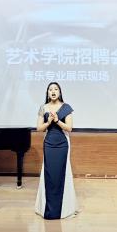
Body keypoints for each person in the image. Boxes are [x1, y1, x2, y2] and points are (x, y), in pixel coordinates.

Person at [35, 82, 78, 219]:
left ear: (60, 92)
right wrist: (48, 122)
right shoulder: (43, 107)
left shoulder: (66, 107)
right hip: (48, 143)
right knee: (49, 174)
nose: (53, 91)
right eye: (50, 89)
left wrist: (58, 121)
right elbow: (39, 128)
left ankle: (64, 209)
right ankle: (47, 208)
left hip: (62, 144)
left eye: (56, 89)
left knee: (61, 173)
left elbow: (69, 128)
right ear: (47, 93)